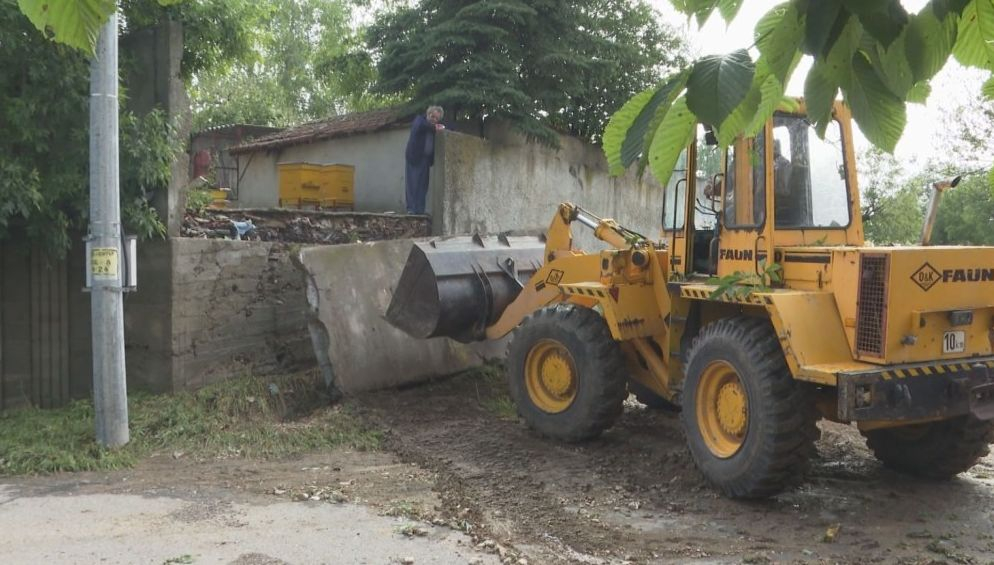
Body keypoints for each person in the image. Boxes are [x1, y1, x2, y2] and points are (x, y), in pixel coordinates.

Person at [405, 106, 445, 214]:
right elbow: (421, 126)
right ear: (428, 114)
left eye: (436, 118)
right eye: (432, 116)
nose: (433, 119)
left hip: (426, 160)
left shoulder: (432, 127)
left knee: (423, 186)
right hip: (414, 157)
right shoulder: (419, 120)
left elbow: (448, 127)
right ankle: (411, 209)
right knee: (413, 184)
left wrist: (440, 127)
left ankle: (420, 210)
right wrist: (436, 127)